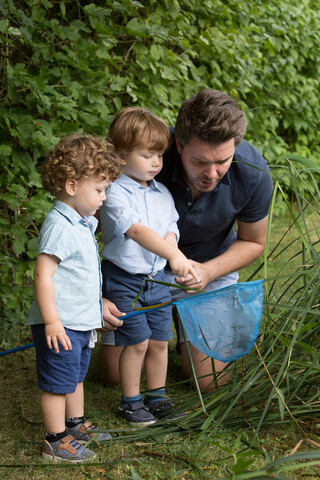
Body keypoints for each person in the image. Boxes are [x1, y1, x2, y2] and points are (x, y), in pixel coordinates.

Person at [99, 89, 273, 391]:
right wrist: (96, 295)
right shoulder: (146, 153)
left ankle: (186, 333)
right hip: (139, 275)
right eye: (200, 161)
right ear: (178, 144)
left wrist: (208, 272)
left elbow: (254, 242)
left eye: (223, 161)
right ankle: (173, 332)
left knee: (209, 382)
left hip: (208, 270)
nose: (211, 173)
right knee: (113, 378)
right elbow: (88, 227)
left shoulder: (254, 173)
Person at [99, 107, 200, 426]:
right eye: (147, 155)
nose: (156, 162)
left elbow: (170, 226)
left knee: (159, 340)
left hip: (157, 278)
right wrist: (175, 255)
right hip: (125, 279)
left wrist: (172, 247)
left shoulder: (161, 193)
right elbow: (137, 231)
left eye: (159, 155)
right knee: (136, 340)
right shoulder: (114, 192)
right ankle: (130, 402)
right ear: (121, 155)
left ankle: (157, 396)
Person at [27, 134, 122, 462]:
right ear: (71, 186)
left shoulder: (81, 224)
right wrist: (52, 321)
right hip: (61, 323)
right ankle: (55, 441)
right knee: (56, 382)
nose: (104, 197)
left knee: (74, 376)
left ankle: (75, 425)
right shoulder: (59, 226)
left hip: (79, 322)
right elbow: (43, 275)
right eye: (99, 190)